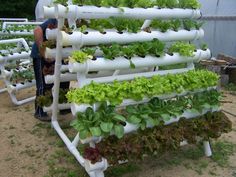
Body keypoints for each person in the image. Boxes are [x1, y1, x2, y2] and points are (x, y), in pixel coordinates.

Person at [31, 19, 69, 121]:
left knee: (64, 79)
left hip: (56, 55)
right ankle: (39, 112)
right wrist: (42, 51)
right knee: (43, 84)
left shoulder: (74, 24)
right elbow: (37, 30)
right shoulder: (55, 21)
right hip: (40, 55)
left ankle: (63, 107)